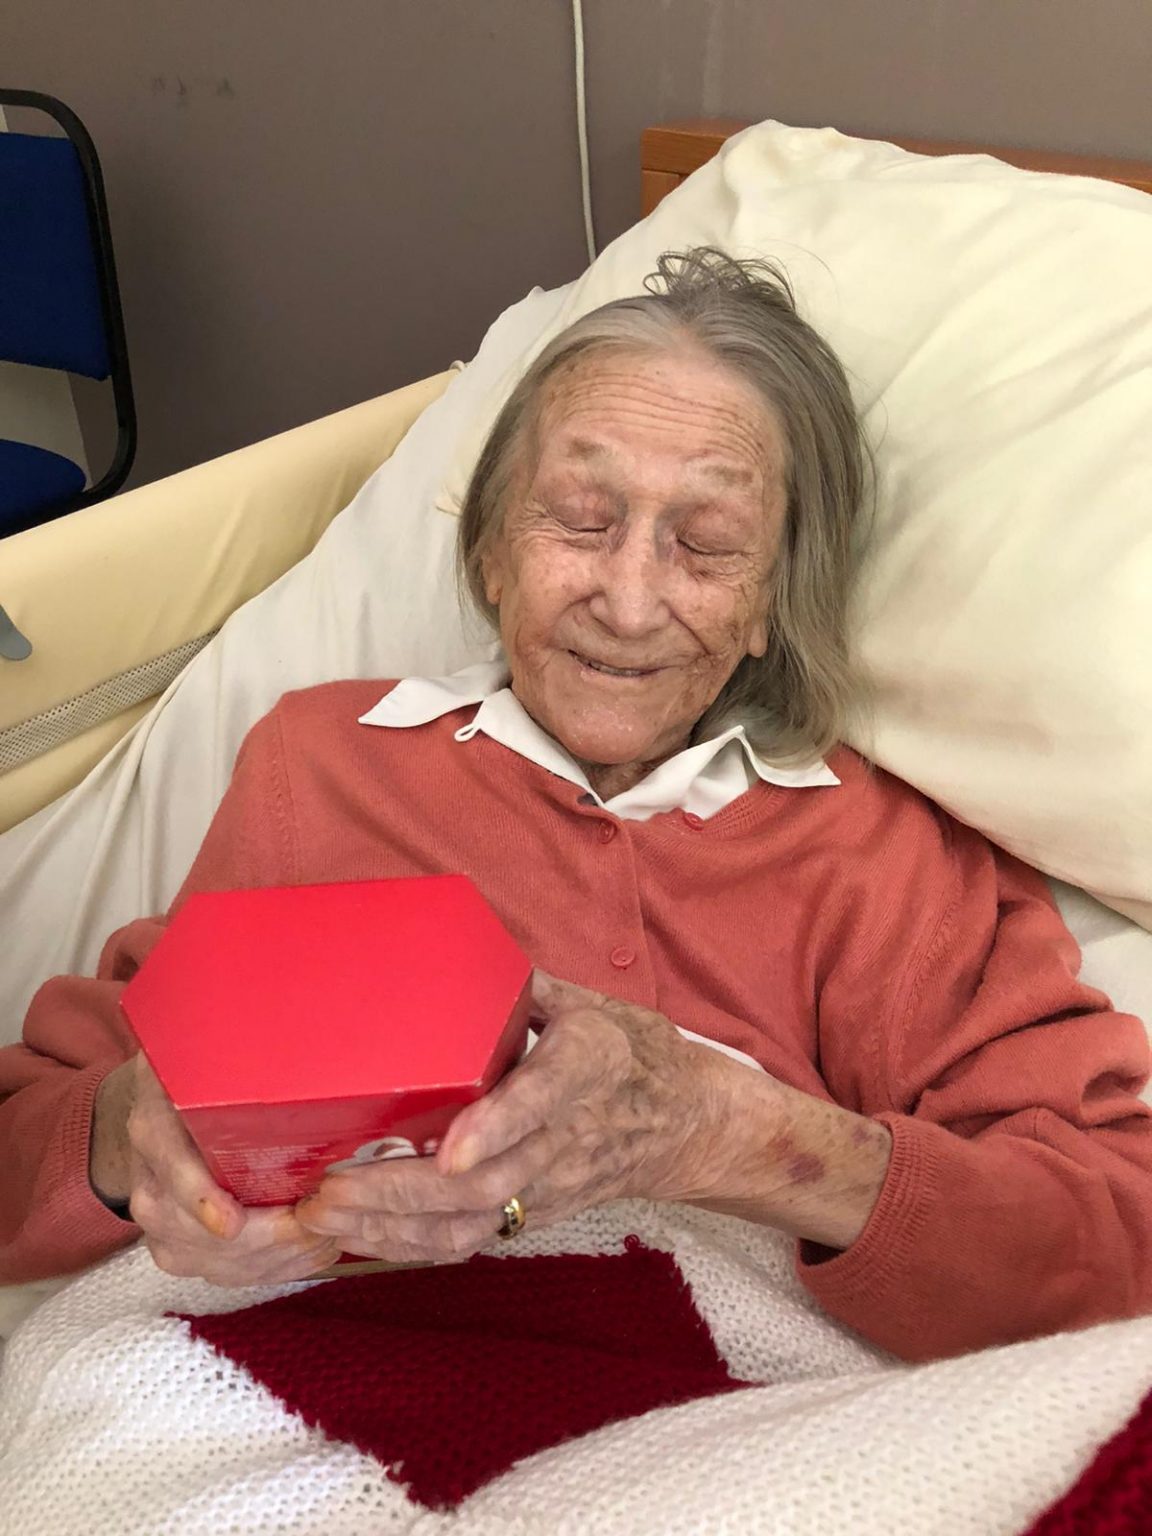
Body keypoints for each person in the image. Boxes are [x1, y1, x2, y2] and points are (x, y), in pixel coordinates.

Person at [1, 249, 1149, 1362]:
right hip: (304, 1377)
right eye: (582, 519)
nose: (629, 601)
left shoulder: (881, 853)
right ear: (492, 552)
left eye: (707, 544)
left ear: (770, 603)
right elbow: (25, 1141)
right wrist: (134, 1135)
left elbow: (1115, 1235)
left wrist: (737, 1136)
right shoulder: (325, 766)